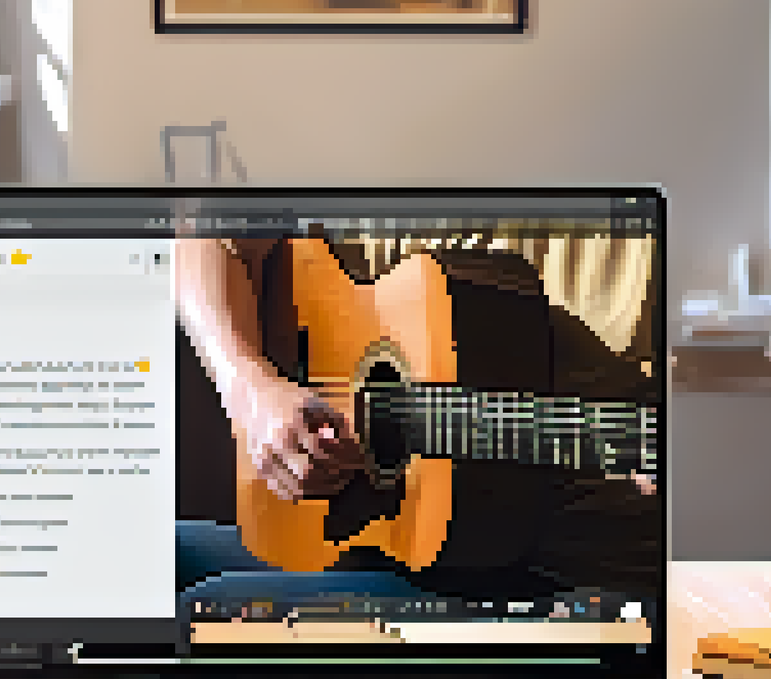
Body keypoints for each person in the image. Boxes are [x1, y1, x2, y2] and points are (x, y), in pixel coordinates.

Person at [174, 226, 661, 601]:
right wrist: (248, 385)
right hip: (367, 541)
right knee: (161, 556)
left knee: (206, 615)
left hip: (527, 567)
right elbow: (202, 235)